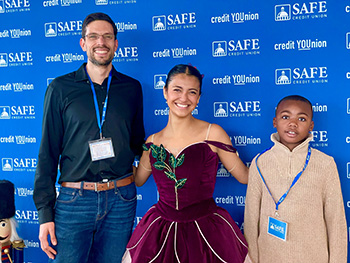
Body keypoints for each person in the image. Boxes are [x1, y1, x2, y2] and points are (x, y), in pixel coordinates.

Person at [33, 12, 145, 263]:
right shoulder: (60, 89)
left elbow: (139, 142)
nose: (101, 42)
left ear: (116, 43)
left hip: (121, 200)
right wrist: (44, 214)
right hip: (75, 201)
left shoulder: (132, 88)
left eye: (107, 37)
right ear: (83, 43)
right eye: (93, 36)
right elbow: (47, 152)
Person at [123, 64, 249, 263]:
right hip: (159, 232)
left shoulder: (213, 133)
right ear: (165, 92)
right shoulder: (152, 142)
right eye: (177, 90)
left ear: (198, 97)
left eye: (192, 92)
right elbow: (138, 180)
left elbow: (244, 177)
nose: (183, 98)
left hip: (208, 232)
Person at [244, 95, 347, 263]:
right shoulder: (259, 162)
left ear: (311, 125)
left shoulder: (325, 164)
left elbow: (336, 222)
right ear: (274, 122)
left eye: (302, 118)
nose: (293, 123)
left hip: (314, 257)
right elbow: (250, 220)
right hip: (269, 257)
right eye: (285, 117)